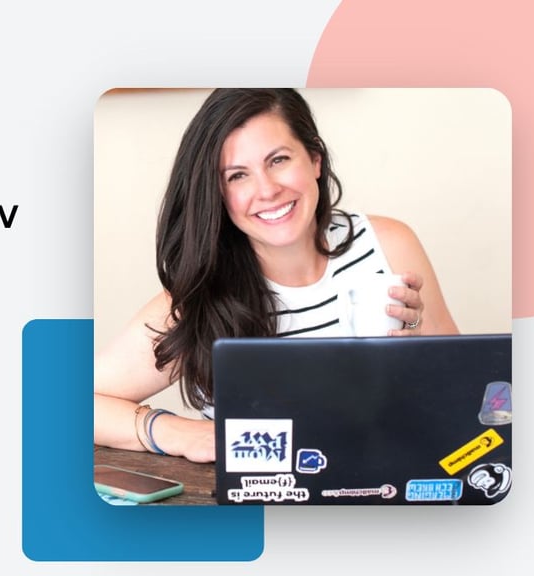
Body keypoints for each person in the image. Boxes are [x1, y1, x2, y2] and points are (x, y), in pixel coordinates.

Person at [94, 88, 460, 463]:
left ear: (315, 159)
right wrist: (174, 432)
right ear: (218, 193)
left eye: (279, 159)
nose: (267, 190)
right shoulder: (200, 299)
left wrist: (419, 355)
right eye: (237, 176)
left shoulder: (388, 246)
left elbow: (461, 393)